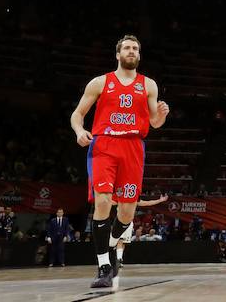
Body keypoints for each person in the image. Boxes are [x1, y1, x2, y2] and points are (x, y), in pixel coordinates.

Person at [70, 35, 169, 288]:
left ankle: (112, 244)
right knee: (103, 201)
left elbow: (154, 123)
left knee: (127, 210)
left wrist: (162, 116)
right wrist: (80, 131)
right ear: (118, 54)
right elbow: (78, 114)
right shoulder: (100, 82)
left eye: (135, 48)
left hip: (134, 146)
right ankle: (103, 266)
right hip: (104, 144)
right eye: (127, 47)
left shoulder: (149, 85)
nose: (131, 51)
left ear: (139, 55)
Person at [111, 194, 168, 271]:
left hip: (127, 223)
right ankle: (116, 259)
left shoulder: (133, 200)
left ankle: (119, 259)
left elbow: (148, 203)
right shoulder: (121, 198)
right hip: (121, 222)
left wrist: (160, 200)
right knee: (117, 242)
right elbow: (109, 201)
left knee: (122, 241)